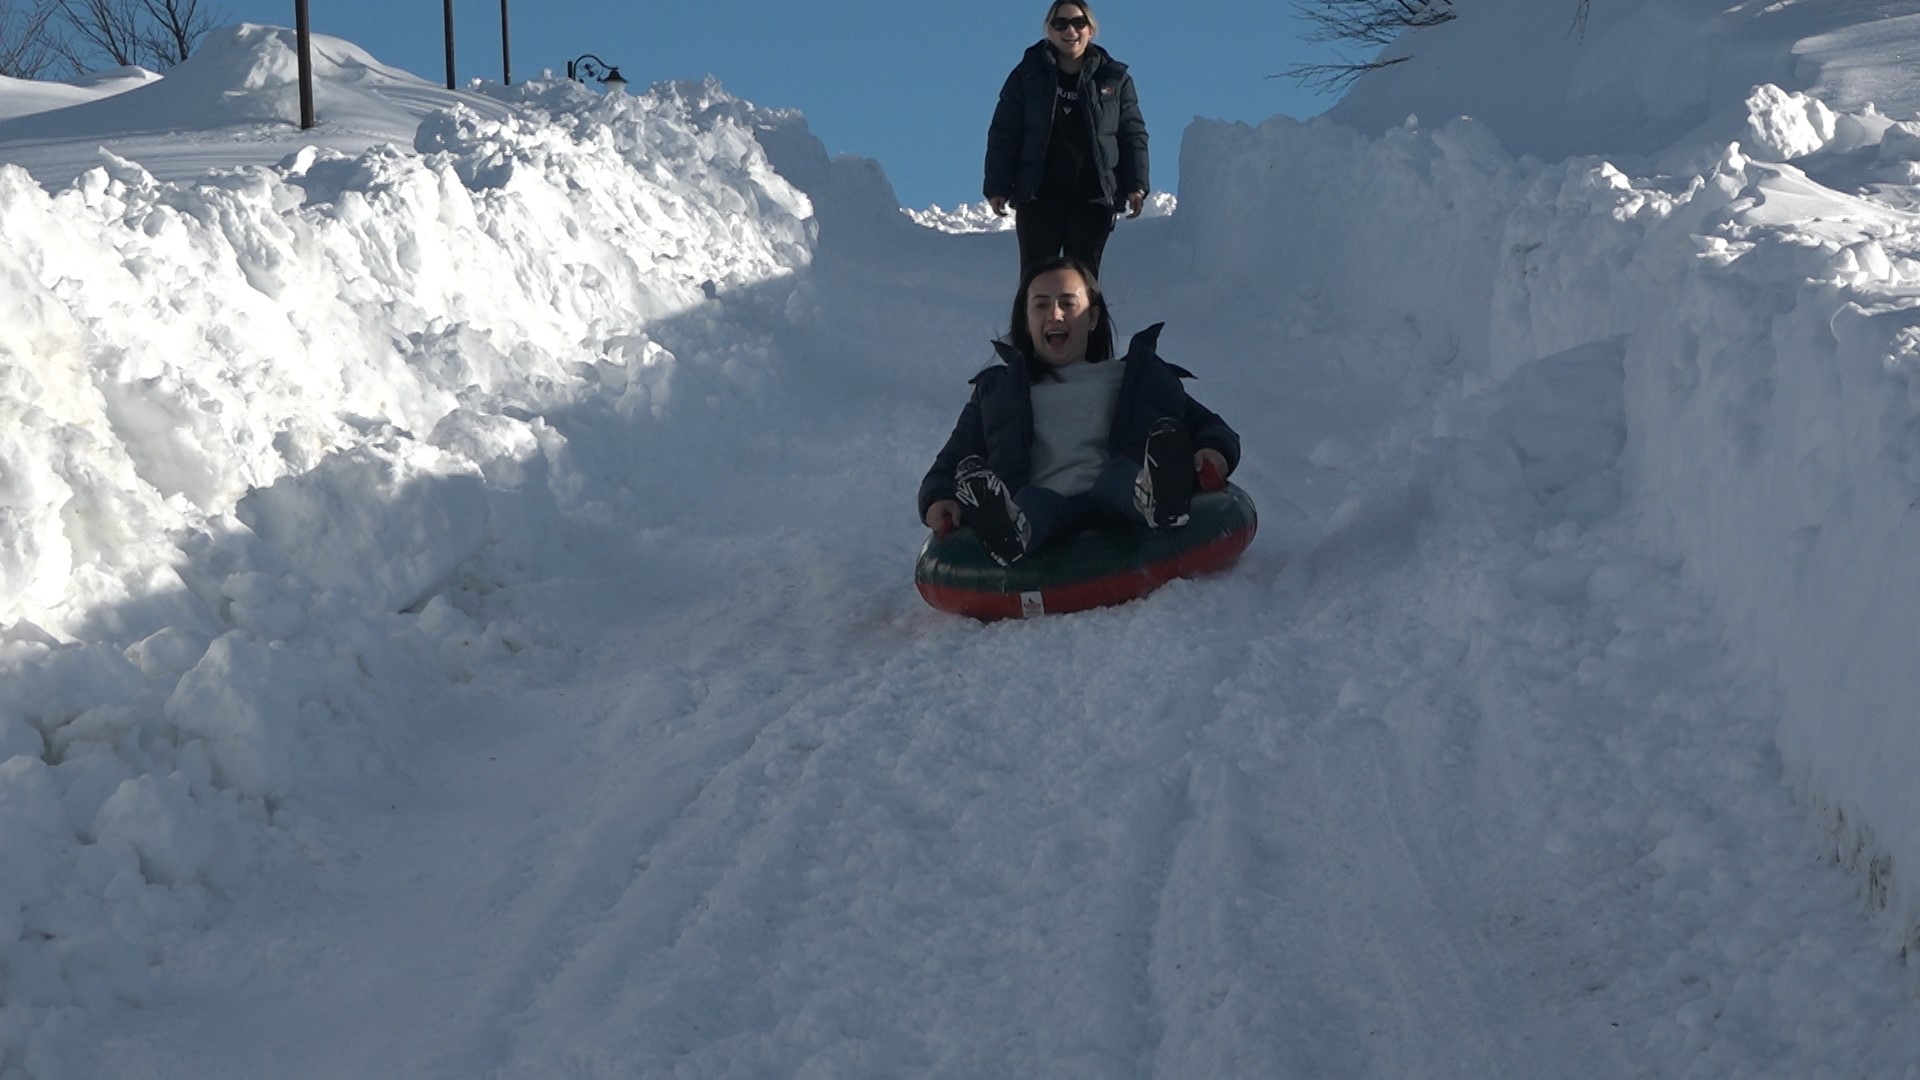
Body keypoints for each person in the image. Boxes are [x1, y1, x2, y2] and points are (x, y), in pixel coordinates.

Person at [918, 256, 1239, 567]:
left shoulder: (1138, 378)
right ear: (1027, 322)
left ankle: (1159, 498)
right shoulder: (998, 393)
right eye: (1041, 305)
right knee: (1029, 502)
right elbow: (954, 457)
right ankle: (1009, 530)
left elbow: (1208, 426)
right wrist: (939, 497)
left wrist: (1212, 451)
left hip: (1119, 492)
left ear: (1093, 318)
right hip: (1045, 499)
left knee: (1121, 478)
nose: (1055, 314)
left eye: (1069, 303)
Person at [984, 0, 1150, 279]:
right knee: (1037, 278)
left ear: (1091, 30)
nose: (1069, 30)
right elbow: (1004, 133)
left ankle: (1089, 324)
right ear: (1048, 30)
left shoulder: (1114, 78)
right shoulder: (1026, 75)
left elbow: (1132, 133)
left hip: (1093, 197)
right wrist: (998, 185)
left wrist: (1136, 185)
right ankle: (1029, 324)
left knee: (1083, 280)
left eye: (1078, 23)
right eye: (1060, 24)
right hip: (1038, 196)